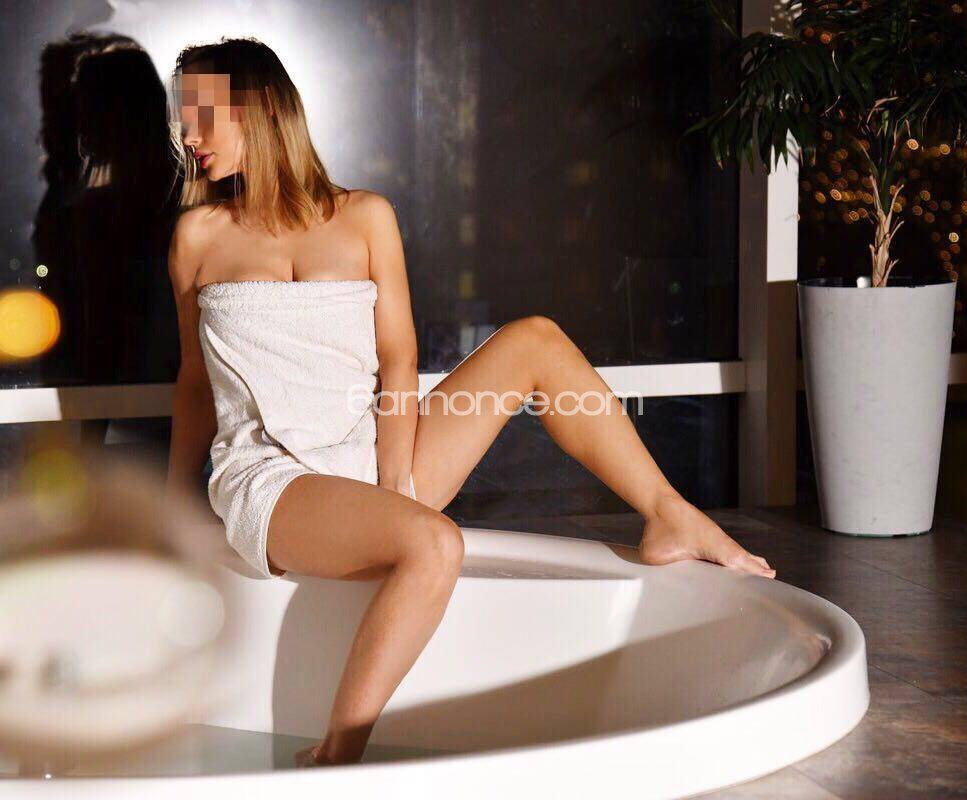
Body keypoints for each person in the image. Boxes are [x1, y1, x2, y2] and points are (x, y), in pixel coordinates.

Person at [164, 37, 775, 768]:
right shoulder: (198, 236)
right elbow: (195, 384)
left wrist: (396, 480)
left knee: (536, 341)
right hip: (274, 480)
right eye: (183, 118)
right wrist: (170, 514)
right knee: (434, 545)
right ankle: (337, 755)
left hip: (373, 449)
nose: (189, 136)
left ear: (261, 107)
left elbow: (399, 359)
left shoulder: (365, 216)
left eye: (202, 114)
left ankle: (668, 513)